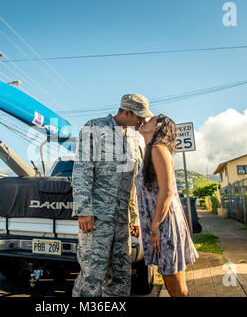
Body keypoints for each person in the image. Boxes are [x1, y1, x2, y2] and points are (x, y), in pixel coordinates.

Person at [72, 93, 154, 297]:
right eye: (139, 117)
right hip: (97, 219)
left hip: (122, 221)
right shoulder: (94, 128)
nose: (142, 121)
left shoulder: (134, 139)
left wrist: (134, 218)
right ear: (126, 112)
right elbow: (82, 170)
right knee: (92, 276)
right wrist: (84, 211)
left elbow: (133, 181)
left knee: (120, 277)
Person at [135, 114, 199, 297]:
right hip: (160, 223)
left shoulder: (158, 150)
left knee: (175, 287)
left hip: (164, 224)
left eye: (150, 119)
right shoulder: (150, 151)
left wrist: (155, 227)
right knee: (173, 284)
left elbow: (167, 191)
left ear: (157, 128)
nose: (144, 120)